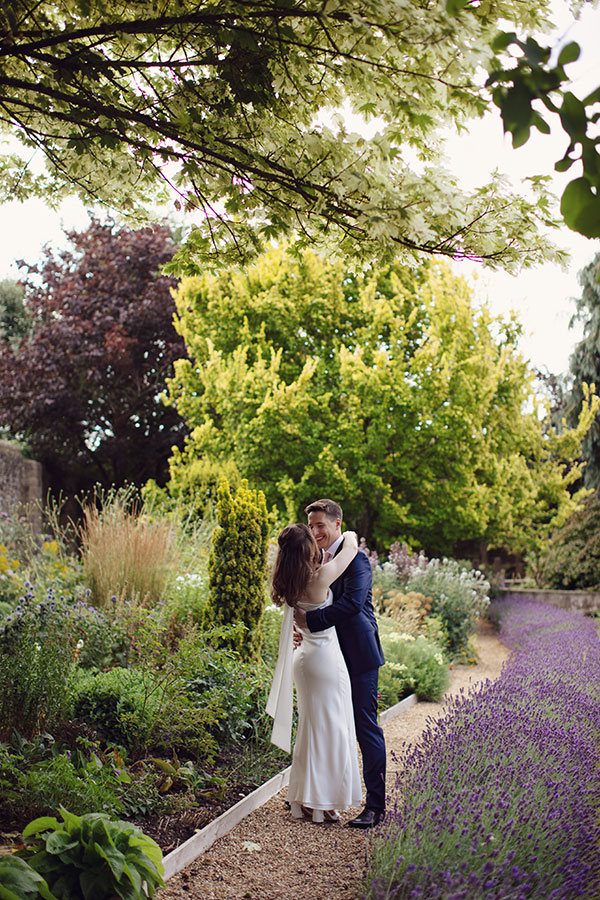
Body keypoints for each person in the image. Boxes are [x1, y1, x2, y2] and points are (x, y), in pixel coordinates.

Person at [293, 499, 386, 829]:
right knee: (330, 726)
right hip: (328, 656)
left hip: (358, 654)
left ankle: (375, 806)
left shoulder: (357, 560)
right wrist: (302, 628)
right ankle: (322, 798)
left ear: (337, 524)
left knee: (365, 727)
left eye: (321, 525)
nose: (316, 531)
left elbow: (351, 604)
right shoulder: (317, 559)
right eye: (312, 526)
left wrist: (310, 620)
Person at [267, 523, 362, 823]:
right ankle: (321, 800)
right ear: (307, 549)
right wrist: (348, 533)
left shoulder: (289, 581)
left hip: (303, 659)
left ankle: (306, 799)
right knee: (331, 730)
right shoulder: (320, 578)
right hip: (323, 661)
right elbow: (351, 550)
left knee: (310, 730)